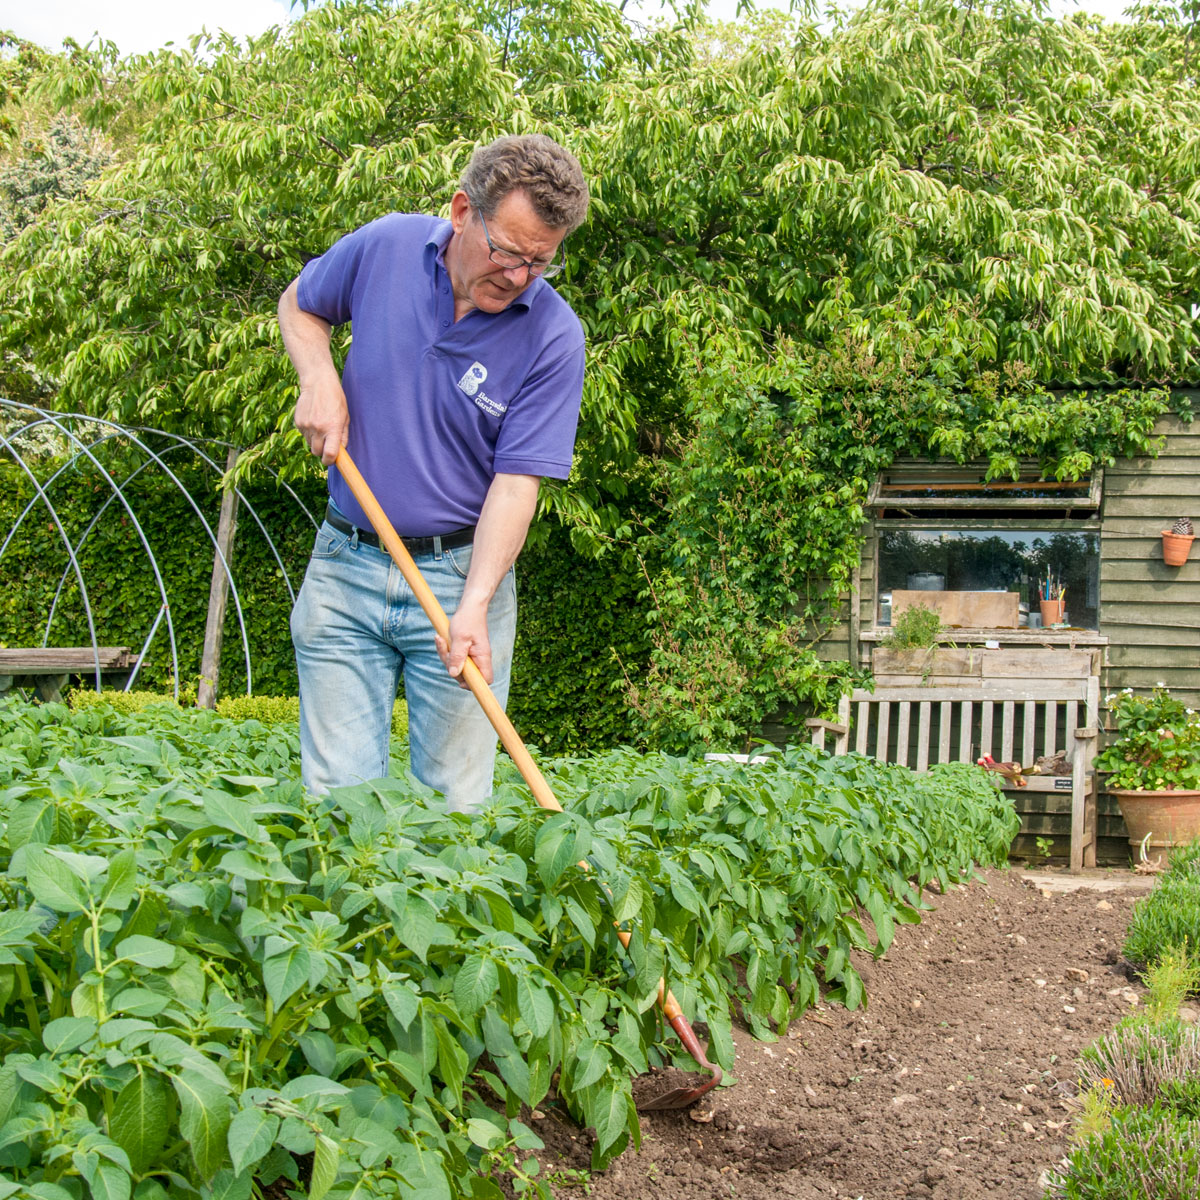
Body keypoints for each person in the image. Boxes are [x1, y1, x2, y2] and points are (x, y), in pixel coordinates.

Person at [278, 134, 589, 811]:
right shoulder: (385, 247)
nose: (517, 277)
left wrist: (473, 604)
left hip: (458, 578)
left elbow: (516, 484)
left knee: (453, 810)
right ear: (460, 212)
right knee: (339, 806)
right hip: (345, 563)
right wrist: (318, 378)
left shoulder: (554, 336)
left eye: (539, 262)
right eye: (506, 252)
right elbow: (299, 305)